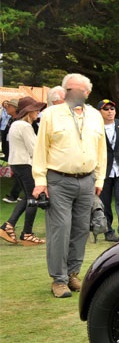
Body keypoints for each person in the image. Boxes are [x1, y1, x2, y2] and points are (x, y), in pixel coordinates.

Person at [32, 73, 107, 298]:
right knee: (60, 230)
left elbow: (101, 150)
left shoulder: (95, 116)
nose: (76, 94)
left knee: (81, 230)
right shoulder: (51, 115)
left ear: (88, 93)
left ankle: (73, 274)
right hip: (58, 180)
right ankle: (59, 279)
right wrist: (40, 181)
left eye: (80, 90)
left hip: (87, 180)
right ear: (64, 92)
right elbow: (40, 150)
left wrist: (99, 178)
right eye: (71, 90)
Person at [1, 96, 48, 245]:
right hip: (26, 164)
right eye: (36, 110)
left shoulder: (16, 124)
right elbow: (35, 150)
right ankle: (27, 233)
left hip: (16, 164)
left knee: (27, 197)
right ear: (29, 111)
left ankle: (8, 225)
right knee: (33, 199)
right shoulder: (25, 127)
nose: (38, 112)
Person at [97, 99, 119, 241]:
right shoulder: (95, 127)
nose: (110, 111)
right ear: (100, 112)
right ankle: (108, 231)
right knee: (105, 202)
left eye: (112, 108)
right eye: (106, 109)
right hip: (104, 170)